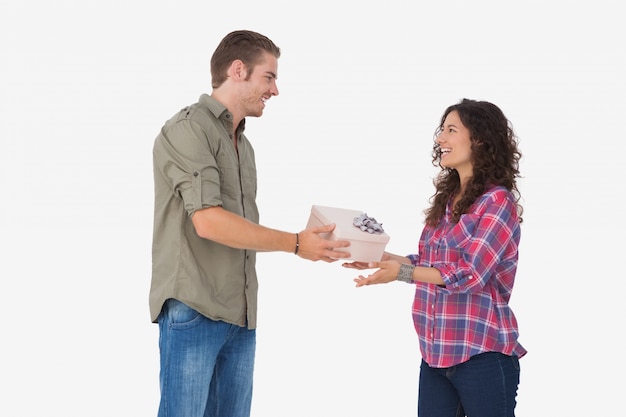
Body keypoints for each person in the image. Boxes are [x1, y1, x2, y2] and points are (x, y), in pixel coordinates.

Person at [150, 30, 350, 417]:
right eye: (269, 77)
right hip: (195, 308)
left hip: (240, 316)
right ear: (238, 70)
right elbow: (207, 221)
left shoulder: (243, 144)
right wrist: (294, 243)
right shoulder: (189, 129)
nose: (275, 90)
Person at [343, 98, 527, 417]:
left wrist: (400, 273)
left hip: (481, 356)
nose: (440, 138)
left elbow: (470, 273)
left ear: (480, 140)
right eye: (441, 130)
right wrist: (378, 257)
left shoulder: (497, 202)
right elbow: (430, 262)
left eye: (451, 130)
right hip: (434, 356)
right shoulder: (448, 202)